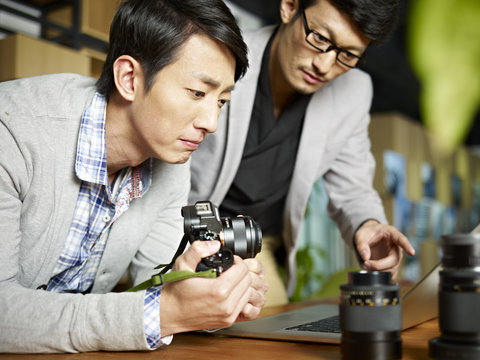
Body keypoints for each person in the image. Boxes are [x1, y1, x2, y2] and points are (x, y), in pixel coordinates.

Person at [0, 0, 268, 353]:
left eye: (221, 101)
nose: (211, 123)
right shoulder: (13, 132)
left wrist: (207, 299)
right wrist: (163, 312)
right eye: (198, 93)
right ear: (129, 78)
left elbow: (152, 294)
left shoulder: (171, 160)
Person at [189, 0, 416, 306]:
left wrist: (369, 226)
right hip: (183, 223)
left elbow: (353, 189)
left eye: (347, 55)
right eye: (320, 39)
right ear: (289, 7)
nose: (324, 65)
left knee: (268, 337)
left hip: (253, 243)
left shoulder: (354, 91)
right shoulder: (222, 54)